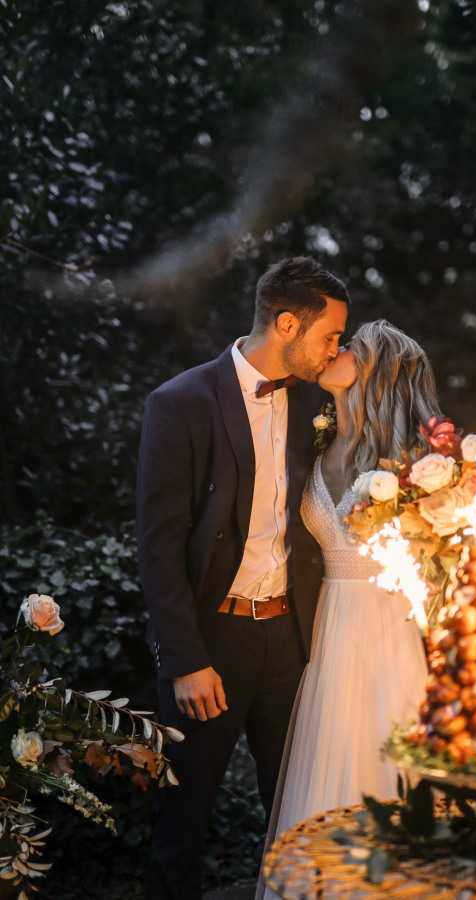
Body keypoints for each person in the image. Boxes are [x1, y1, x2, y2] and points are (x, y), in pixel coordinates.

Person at [136, 256, 350, 898]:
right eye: (329, 335)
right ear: (287, 323)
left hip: (291, 641)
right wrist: (185, 658)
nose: (335, 348)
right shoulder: (179, 403)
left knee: (297, 810)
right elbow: (158, 543)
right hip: (212, 642)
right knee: (182, 814)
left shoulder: (317, 400)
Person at [258, 320, 441, 899]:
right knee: (329, 766)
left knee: (391, 760)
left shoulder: (413, 462)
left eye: (351, 348)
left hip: (391, 631)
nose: (335, 351)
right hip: (331, 631)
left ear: (377, 373)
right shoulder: (318, 441)